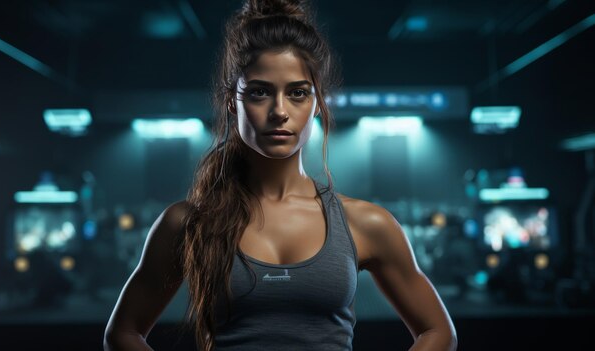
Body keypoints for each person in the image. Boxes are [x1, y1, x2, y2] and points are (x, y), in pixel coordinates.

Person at [103, 0, 457, 350]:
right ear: (232, 102)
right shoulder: (186, 223)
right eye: (259, 92)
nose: (279, 112)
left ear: (317, 103)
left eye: (298, 93)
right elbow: (122, 334)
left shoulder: (366, 224)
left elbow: (438, 332)